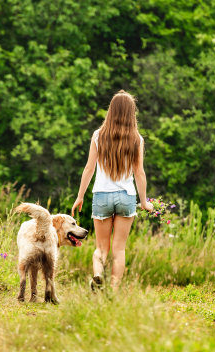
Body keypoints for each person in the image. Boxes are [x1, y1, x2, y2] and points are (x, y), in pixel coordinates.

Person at [71, 90, 154, 290]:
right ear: (130, 113)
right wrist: (144, 202)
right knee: (119, 249)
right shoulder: (137, 138)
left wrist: (80, 196)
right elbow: (139, 173)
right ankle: (114, 290)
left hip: (101, 196)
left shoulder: (98, 135)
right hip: (126, 197)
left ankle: (98, 274)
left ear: (111, 111)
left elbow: (89, 168)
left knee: (101, 248)